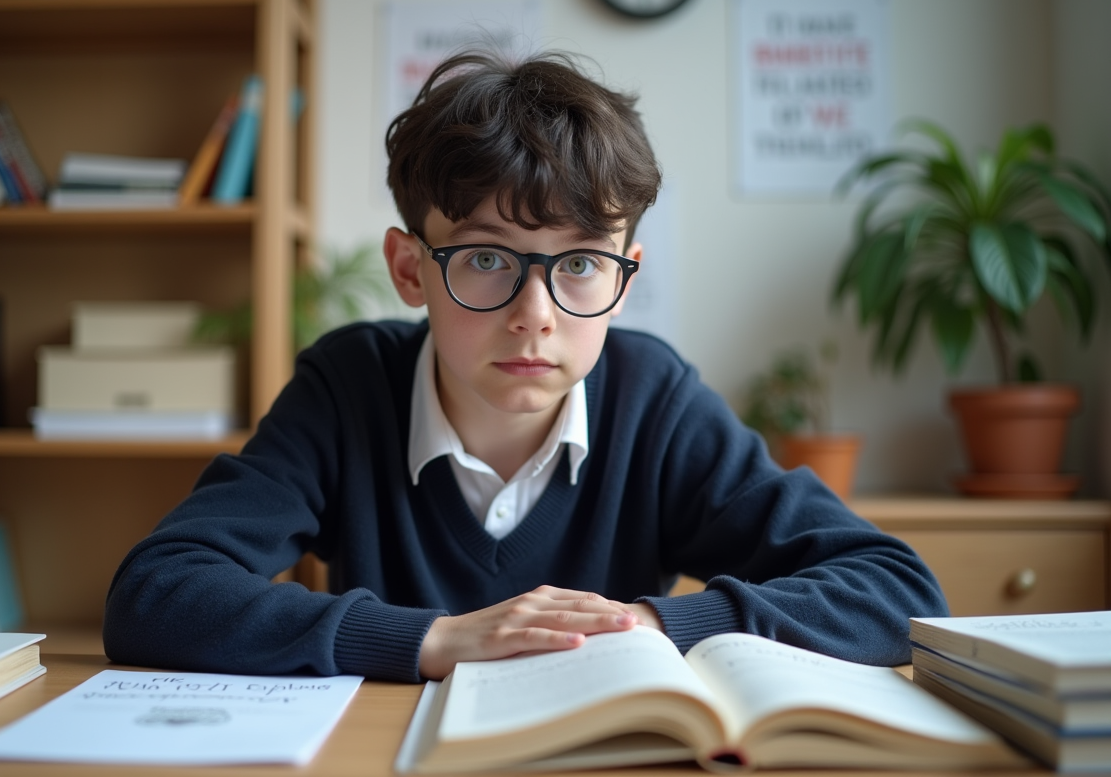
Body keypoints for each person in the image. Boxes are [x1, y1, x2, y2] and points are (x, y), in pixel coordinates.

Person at [103, 50, 947, 683]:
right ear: (410, 270)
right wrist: (432, 639)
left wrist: (655, 625)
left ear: (625, 282)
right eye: (484, 259)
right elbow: (157, 592)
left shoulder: (654, 399)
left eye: (580, 264)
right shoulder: (349, 387)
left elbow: (898, 592)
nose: (534, 315)